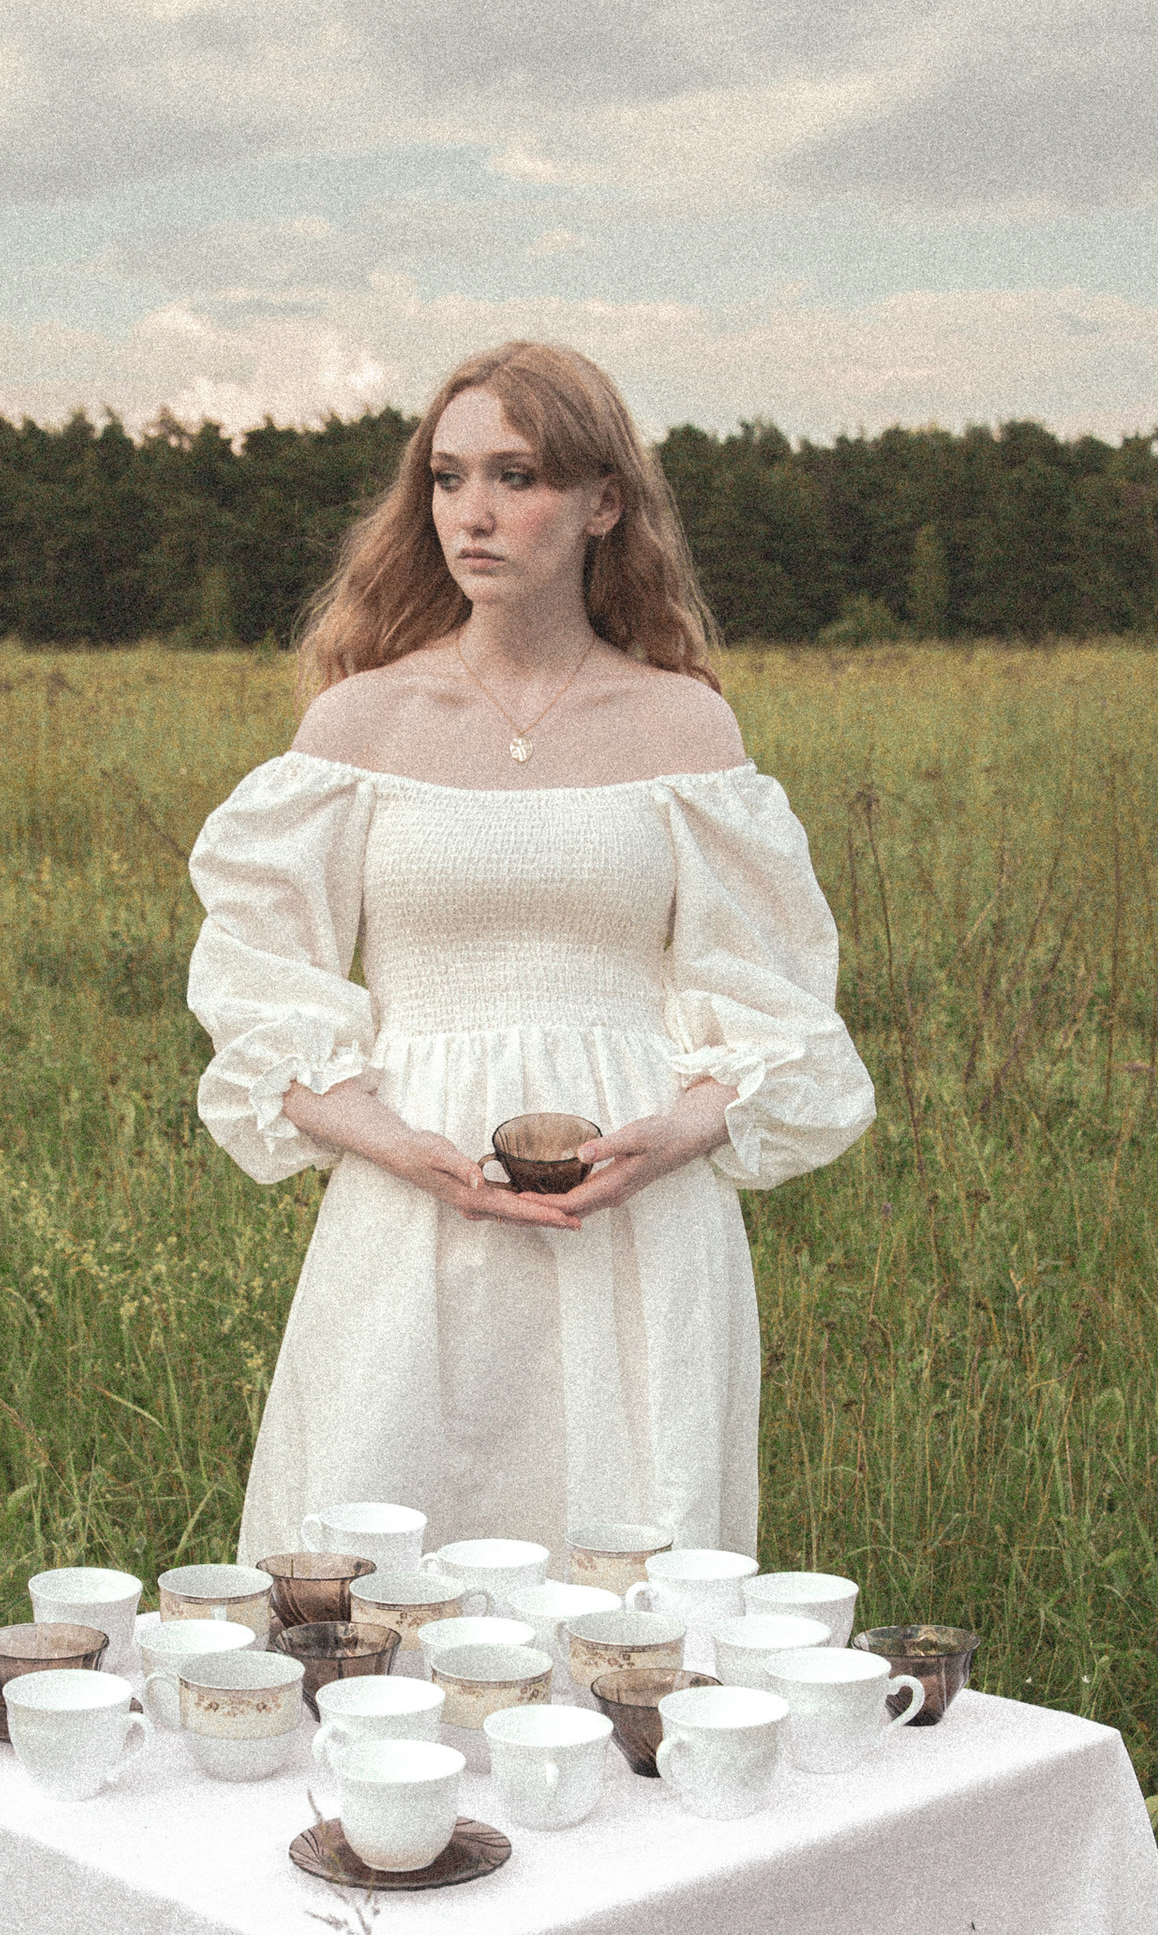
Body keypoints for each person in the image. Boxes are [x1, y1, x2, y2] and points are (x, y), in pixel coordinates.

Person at [185, 342, 876, 1566]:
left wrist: (684, 1129)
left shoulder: (682, 724)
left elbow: (776, 1012)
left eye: (517, 476)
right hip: (410, 1210)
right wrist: (405, 1149)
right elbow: (258, 1007)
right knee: (375, 1577)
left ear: (604, 502)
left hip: (634, 1219)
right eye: (448, 479)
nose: (475, 513)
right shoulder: (361, 723)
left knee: (628, 1589)